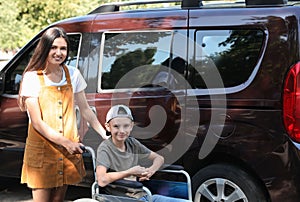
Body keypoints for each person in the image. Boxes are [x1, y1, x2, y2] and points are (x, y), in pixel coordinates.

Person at [17, 27, 108, 202]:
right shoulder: (31, 77)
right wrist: (66, 143)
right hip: (43, 151)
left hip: (67, 150)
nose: (59, 53)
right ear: (45, 48)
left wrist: (105, 135)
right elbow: (37, 122)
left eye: (63, 48)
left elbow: (86, 110)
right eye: (54, 47)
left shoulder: (73, 74)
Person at [96, 104, 190, 202]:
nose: (122, 131)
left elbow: (159, 158)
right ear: (108, 127)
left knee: (186, 191)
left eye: (126, 126)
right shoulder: (105, 148)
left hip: (143, 195)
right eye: (116, 126)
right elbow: (102, 180)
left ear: (131, 126)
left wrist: (151, 171)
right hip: (124, 199)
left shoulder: (132, 143)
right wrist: (129, 172)